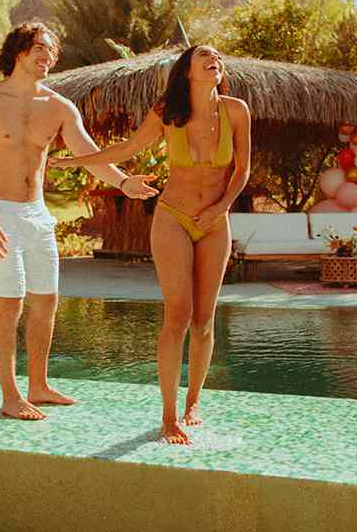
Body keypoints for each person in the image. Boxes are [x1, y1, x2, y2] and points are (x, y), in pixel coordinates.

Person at [50, 44, 251, 444]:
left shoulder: (236, 110)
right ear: (187, 70)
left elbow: (243, 168)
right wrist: (74, 162)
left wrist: (221, 208)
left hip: (215, 221)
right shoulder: (167, 111)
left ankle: (194, 401)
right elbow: (127, 149)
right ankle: (168, 415)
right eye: (204, 56)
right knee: (177, 315)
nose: (215, 60)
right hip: (173, 217)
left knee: (204, 320)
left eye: (219, 58)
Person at [0, 22, 157, 421]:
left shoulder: (59, 107)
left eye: (52, 52)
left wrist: (124, 182)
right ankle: (10, 395)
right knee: (9, 304)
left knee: (46, 300)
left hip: (36, 214)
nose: (48, 58)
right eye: (40, 50)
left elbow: (90, 153)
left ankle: (39, 385)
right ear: (18, 52)